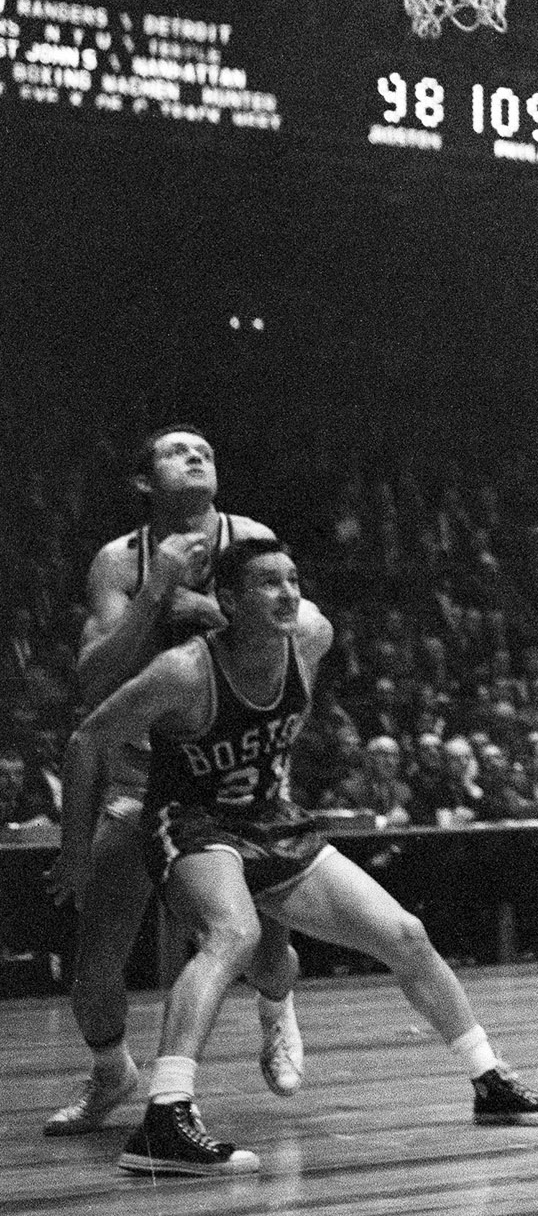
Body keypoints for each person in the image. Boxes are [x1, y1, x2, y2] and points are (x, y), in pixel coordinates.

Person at [58, 537, 538, 1175]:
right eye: (268, 584)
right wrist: (74, 848)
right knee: (233, 935)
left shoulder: (310, 640)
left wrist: (247, 593)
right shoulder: (185, 671)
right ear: (230, 602)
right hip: (192, 822)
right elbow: (87, 738)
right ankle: (164, 1115)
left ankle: (488, 1079)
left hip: (273, 819)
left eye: (293, 580)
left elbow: (304, 610)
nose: (288, 593)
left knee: (406, 935)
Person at [44, 425, 306, 1136]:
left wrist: (204, 610)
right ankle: (110, 1076)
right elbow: (94, 681)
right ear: (142, 482)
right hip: (139, 781)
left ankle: (277, 1011)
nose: (196, 457)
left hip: (232, 782)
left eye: (208, 453)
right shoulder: (119, 560)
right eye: (176, 451)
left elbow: (294, 630)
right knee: (94, 967)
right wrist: (158, 590)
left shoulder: (250, 535)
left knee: (268, 950)